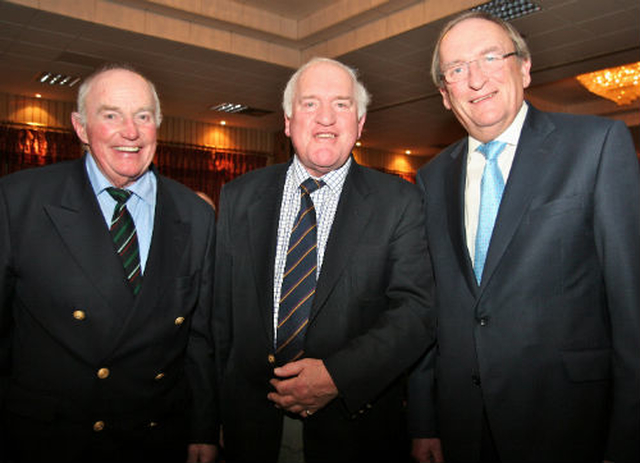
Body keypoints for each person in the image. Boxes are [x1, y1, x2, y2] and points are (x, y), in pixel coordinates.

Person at [407, 11, 640, 463]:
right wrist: (424, 421)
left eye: (491, 57)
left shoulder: (596, 145)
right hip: (462, 426)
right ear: (444, 94)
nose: (476, 79)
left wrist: (628, 439)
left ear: (525, 67)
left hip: (572, 422)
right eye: (457, 69)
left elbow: (632, 304)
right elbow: (428, 309)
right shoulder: (430, 180)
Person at [213, 57, 435, 463]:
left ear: (361, 123)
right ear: (287, 120)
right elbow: (219, 319)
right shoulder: (239, 196)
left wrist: (338, 376)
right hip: (251, 427)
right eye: (310, 104)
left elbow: (417, 312)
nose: (326, 118)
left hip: (354, 427)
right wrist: (209, 421)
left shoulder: (400, 201)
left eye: (342, 104)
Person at [0, 64, 218, 463]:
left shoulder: (195, 214)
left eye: (143, 116)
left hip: (154, 436)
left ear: (157, 126)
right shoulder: (19, 201)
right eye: (111, 115)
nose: (130, 131)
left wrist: (203, 426)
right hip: (49, 438)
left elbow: (199, 337)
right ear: (81, 128)